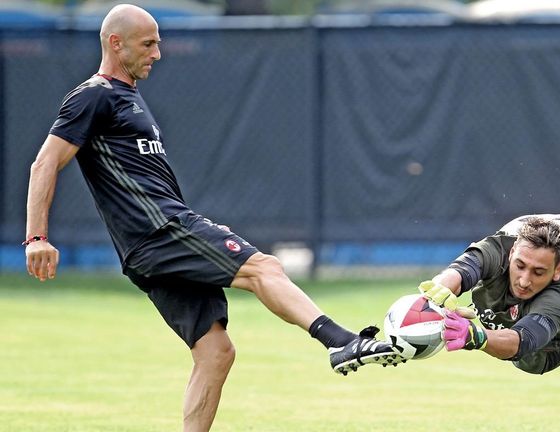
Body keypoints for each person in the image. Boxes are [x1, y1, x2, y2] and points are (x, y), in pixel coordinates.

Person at [23, 4, 401, 431]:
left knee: (215, 352)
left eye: (158, 44)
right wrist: (37, 237)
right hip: (158, 233)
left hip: (155, 240)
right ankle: (342, 342)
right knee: (264, 268)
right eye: (148, 44)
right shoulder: (94, 94)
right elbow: (44, 164)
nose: (157, 54)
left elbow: (145, 184)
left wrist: (200, 227)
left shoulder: (128, 97)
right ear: (115, 43)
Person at [418, 213, 560, 374]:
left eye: (538, 272)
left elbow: (520, 341)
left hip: (542, 351)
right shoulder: (499, 247)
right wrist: (439, 290)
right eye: (520, 265)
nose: (524, 280)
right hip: (501, 296)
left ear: (557, 270)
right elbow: (460, 271)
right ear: (512, 252)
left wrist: (476, 336)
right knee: (516, 227)